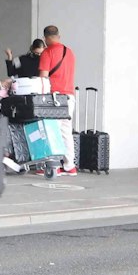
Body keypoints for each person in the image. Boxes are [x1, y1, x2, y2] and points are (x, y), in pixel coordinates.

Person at [37, 25, 78, 175]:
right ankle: (69, 166)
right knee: (66, 132)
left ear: (46, 38)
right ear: (58, 36)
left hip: (54, 98)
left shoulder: (47, 52)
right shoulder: (70, 52)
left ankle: (53, 166)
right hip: (69, 97)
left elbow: (43, 78)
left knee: (51, 131)